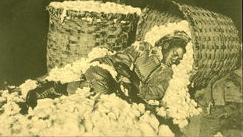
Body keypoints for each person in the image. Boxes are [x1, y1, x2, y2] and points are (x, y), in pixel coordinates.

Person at [26, 31, 190, 109]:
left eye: (179, 58)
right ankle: (56, 88)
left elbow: (154, 93)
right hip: (106, 68)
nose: (177, 59)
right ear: (166, 46)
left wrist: (132, 79)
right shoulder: (144, 48)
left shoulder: (167, 73)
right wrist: (128, 78)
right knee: (105, 89)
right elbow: (121, 62)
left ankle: (55, 87)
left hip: (123, 86)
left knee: (108, 98)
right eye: (176, 53)